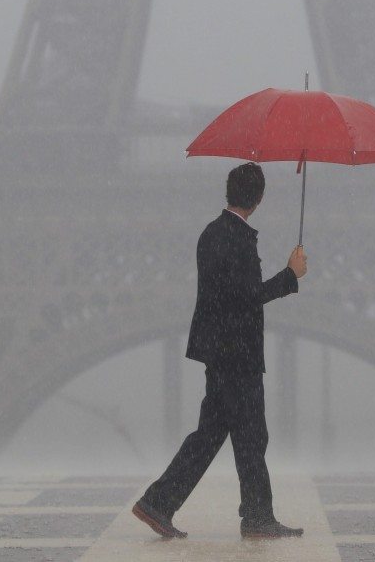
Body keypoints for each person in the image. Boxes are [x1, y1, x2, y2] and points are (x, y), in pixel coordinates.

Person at [133, 163, 307, 539]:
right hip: (237, 354)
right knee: (251, 436)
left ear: (229, 191)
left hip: (220, 351)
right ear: (259, 198)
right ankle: (257, 517)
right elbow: (247, 296)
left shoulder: (213, 232)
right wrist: (290, 276)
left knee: (212, 435)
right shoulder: (237, 237)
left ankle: (159, 503)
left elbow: (224, 296)